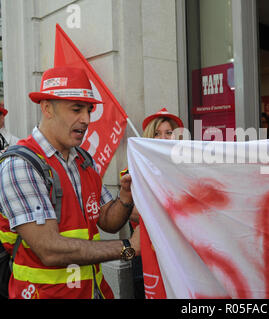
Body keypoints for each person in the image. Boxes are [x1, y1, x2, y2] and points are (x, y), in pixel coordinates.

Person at [0, 66, 140, 299]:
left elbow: (107, 221)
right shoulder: (20, 165)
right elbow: (49, 250)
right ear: (46, 108)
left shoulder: (83, 160)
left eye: (88, 110)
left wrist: (126, 195)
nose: (86, 120)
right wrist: (128, 248)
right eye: (76, 109)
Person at [126, 107, 184, 299]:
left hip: (176, 250)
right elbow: (131, 212)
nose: (163, 138)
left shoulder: (186, 168)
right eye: (157, 133)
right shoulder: (134, 169)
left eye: (169, 133)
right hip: (145, 251)